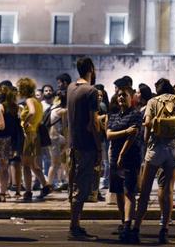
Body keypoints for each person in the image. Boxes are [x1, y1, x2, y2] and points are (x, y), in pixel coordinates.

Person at [128, 78, 175, 244]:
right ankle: (164, 230)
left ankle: (136, 229)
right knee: (168, 190)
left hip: (156, 148)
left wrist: (149, 140)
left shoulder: (152, 102)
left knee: (146, 190)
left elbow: (147, 124)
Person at [66, 57, 102, 241]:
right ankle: (74, 226)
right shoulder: (91, 91)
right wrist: (99, 148)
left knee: (74, 184)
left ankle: (75, 224)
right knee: (81, 185)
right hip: (86, 145)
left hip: (72, 144)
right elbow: (94, 123)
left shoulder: (71, 88)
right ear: (91, 69)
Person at [106, 87, 142, 240]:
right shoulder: (113, 115)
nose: (121, 97)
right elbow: (108, 134)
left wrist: (122, 153)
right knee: (118, 192)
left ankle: (128, 224)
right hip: (114, 157)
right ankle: (123, 222)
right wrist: (125, 131)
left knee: (129, 191)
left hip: (130, 157)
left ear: (131, 97)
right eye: (119, 95)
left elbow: (133, 135)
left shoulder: (135, 114)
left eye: (124, 95)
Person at [18, 77, 50, 201]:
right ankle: (45, 185)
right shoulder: (38, 102)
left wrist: (25, 122)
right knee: (33, 164)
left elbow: (31, 112)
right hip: (35, 135)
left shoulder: (30, 100)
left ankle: (28, 191)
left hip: (28, 135)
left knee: (26, 165)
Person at [0, 85, 21, 202]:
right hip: (12, 140)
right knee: (8, 166)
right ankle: (5, 191)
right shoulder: (15, 107)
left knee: (3, 168)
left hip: (2, 139)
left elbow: (0, 125)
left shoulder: (1, 106)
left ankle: (3, 192)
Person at [47, 90, 68, 191]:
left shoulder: (53, 108)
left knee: (57, 163)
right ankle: (48, 185)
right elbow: (65, 127)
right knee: (54, 164)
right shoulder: (61, 110)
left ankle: (61, 181)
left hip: (55, 137)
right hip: (55, 138)